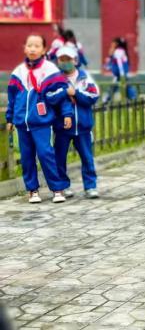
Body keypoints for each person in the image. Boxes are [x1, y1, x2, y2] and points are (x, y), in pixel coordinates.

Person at [5, 34, 73, 203]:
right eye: (29, 45)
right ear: (25, 48)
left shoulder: (50, 70)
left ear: (43, 50)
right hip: (22, 123)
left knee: (45, 154)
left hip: (41, 122)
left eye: (36, 46)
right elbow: (12, 98)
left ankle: (57, 189)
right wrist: (10, 118)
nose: (32, 49)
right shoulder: (18, 72)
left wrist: (67, 114)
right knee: (27, 157)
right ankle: (32, 190)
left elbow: (63, 94)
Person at [53, 46, 100, 198]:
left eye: (68, 59)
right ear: (58, 61)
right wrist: (64, 94)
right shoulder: (56, 79)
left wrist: (75, 94)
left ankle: (90, 186)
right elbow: (51, 98)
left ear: (75, 60)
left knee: (87, 158)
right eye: (62, 59)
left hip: (83, 127)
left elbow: (93, 96)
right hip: (62, 127)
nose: (65, 62)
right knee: (60, 157)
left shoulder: (85, 77)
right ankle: (63, 186)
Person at [103, 37, 136, 103]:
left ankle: (106, 100)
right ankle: (132, 99)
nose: (111, 44)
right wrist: (108, 65)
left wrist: (121, 73)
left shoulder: (119, 51)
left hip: (120, 74)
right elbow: (111, 62)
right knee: (125, 86)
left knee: (119, 86)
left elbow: (119, 63)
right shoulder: (118, 51)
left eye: (113, 43)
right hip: (120, 74)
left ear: (116, 44)